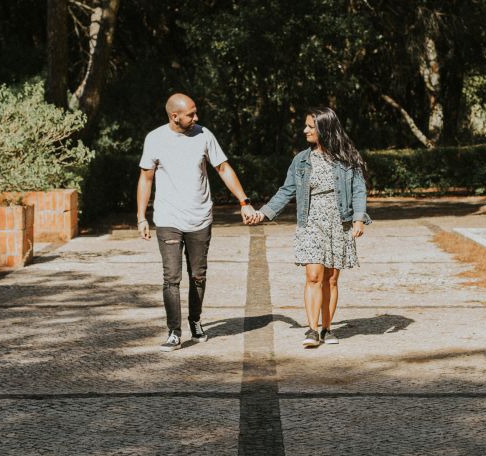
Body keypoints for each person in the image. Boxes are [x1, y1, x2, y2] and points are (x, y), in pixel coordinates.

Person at [138, 93, 259, 350]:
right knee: (171, 277)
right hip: (168, 218)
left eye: (195, 112)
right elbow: (146, 179)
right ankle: (173, 331)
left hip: (200, 217)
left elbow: (223, 168)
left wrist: (244, 201)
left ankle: (195, 320)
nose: (196, 117)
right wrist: (141, 217)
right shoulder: (155, 138)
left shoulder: (204, 135)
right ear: (175, 116)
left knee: (198, 276)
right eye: (191, 114)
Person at [247, 107, 370, 348]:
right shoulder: (301, 160)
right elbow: (286, 190)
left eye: (310, 126)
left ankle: (327, 328)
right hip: (311, 222)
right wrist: (264, 213)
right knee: (314, 276)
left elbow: (359, 188)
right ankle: (312, 330)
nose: (305, 130)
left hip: (339, 223)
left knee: (331, 280)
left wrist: (358, 219)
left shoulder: (347, 158)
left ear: (325, 128)